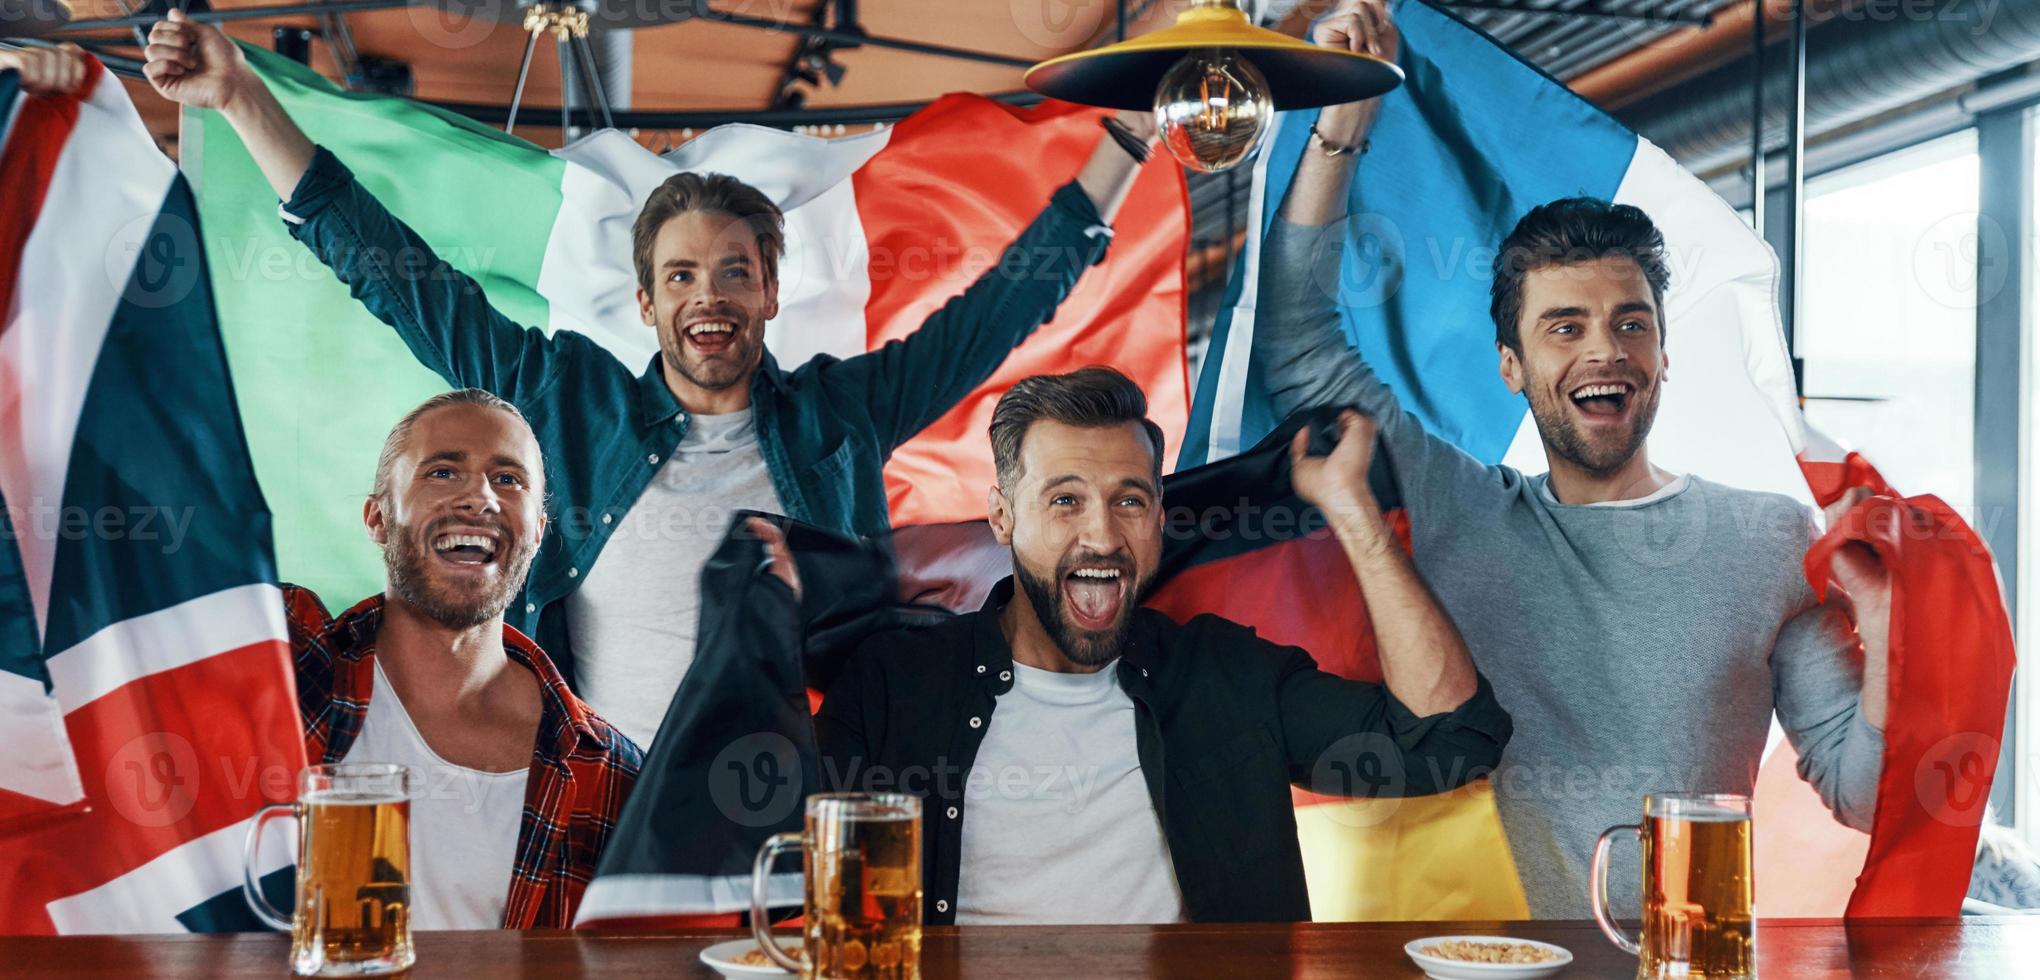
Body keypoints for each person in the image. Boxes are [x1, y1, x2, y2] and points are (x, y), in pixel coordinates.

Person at [142, 10, 1159, 747]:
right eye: (680, 275)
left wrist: (1127, 142)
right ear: (645, 303)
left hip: (797, 805)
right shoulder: (565, 401)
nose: (706, 294)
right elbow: (396, 276)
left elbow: (998, 312)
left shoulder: (840, 416)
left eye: (731, 271)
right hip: (603, 799)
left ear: (769, 291)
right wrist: (238, 95)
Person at [1254, 0, 1893, 920]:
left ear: (1663, 357)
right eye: (1565, 327)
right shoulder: (1459, 506)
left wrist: (1884, 628)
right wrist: (1340, 132)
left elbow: (1860, 793)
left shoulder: (1770, 536)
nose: (1605, 349)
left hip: (1687, 964)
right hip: (1476, 967)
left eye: (1630, 324)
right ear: (1511, 367)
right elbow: (1299, 346)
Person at [779, 367, 1511, 925]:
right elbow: (777, 856)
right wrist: (756, 625)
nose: (1101, 535)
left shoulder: (1226, 673)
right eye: (1063, 500)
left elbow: (1447, 739)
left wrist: (1350, 509)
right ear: (1002, 518)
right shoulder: (894, 681)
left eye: (1128, 499)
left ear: (1159, 518)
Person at [285, 388, 639, 929]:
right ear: (378, 518)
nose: (481, 498)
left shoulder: (612, 771)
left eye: (509, 479)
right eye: (443, 472)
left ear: (538, 534)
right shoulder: (286, 670)